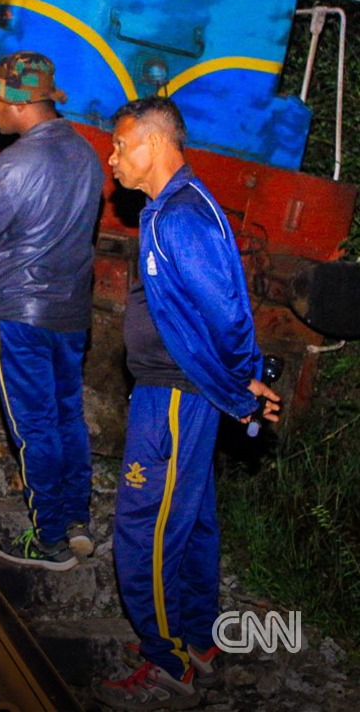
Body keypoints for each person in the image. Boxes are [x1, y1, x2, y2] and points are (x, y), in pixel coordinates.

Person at [94, 96, 281, 709]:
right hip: (184, 388)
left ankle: (166, 660)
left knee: (144, 526)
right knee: (193, 517)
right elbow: (213, 308)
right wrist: (240, 383)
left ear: (154, 142)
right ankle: (195, 639)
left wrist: (242, 382)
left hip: (175, 394)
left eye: (121, 144)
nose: (113, 157)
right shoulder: (169, 209)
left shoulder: (179, 216)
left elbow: (227, 311)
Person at [0, 51, 103, 570]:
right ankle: (75, 519)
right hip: (71, 312)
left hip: (21, 312)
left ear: (19, 103)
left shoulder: (16, 163)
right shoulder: (86, 155)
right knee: (68, 417)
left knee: (33, 426)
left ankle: (48, 539)